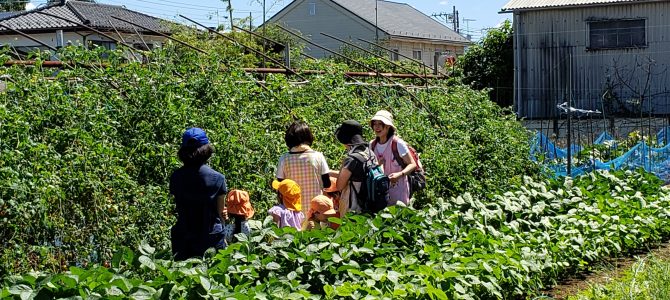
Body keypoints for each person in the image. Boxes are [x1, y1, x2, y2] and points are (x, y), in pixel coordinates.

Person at [170, 127, 227, 260]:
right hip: (211, 237)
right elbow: (220, 213)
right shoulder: (218, 178)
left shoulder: (176, 177)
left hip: (184, 237)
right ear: (206, 150)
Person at [276, 121, 331, 220]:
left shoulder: (284, 158)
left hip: (292, 212)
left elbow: (280, 186)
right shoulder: (318, 156)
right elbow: (327, 184)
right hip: (315, 211)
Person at [369, 110, 417, 206]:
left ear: (387, 127)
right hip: (379, 191)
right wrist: (378, 164)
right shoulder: (372, 145)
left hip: (399, 190)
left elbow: (412, 164)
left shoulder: (397, 144)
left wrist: (399, 174)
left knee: (399, 217)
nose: (377, 127)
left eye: (380, 124)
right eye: (375, 124)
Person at [332, 120, 377, 215]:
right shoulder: (370, 153)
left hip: (353, 208)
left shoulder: (351, 159)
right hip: (370, 205)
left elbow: (340, 185)